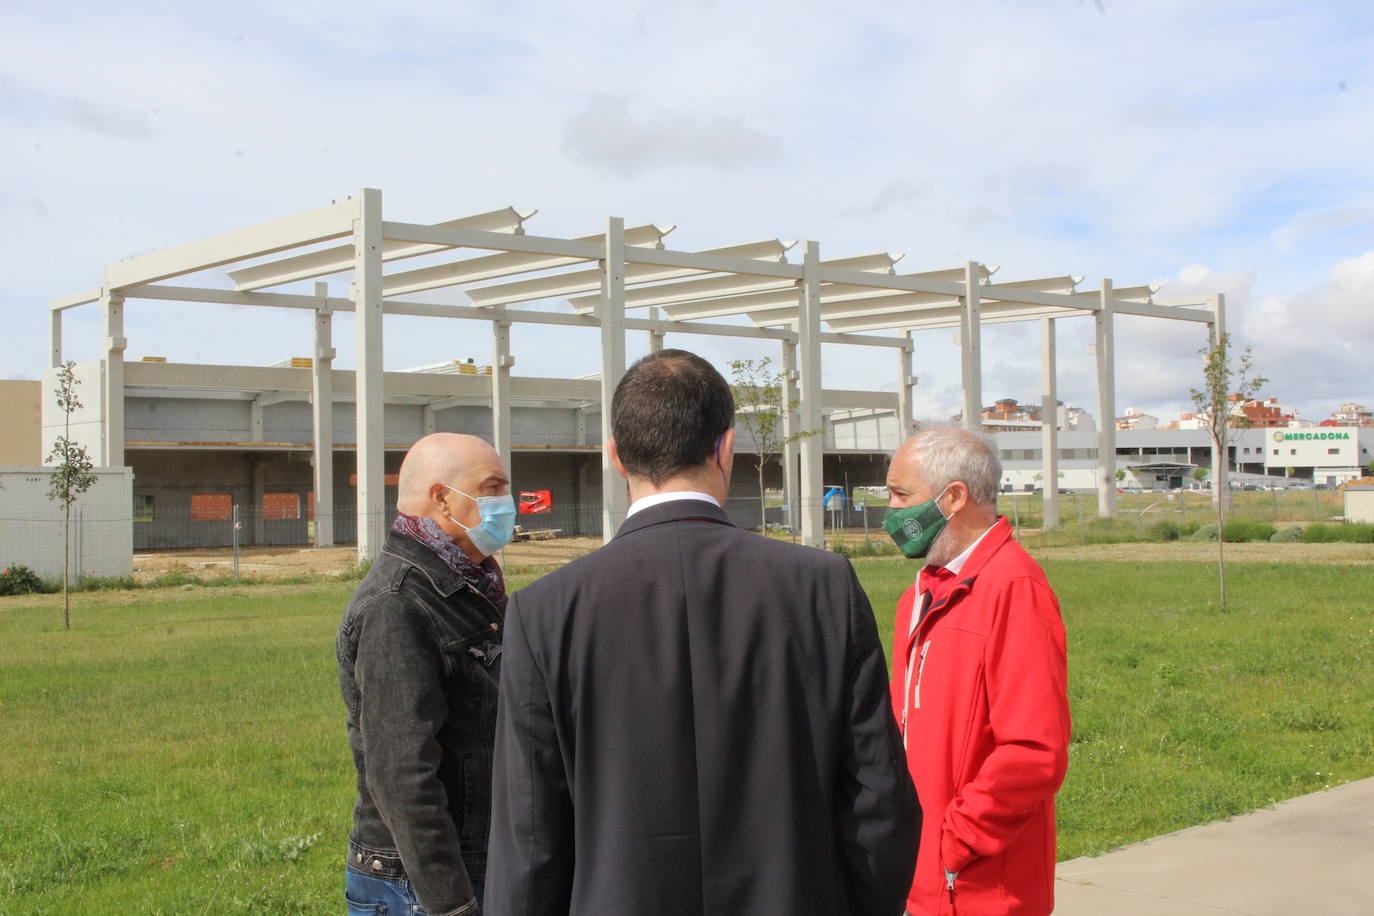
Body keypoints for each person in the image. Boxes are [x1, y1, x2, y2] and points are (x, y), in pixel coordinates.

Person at [486, 349, 919, 916]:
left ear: (615, 456)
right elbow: (878, 799)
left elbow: (530, 838)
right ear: (726, 446)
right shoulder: (822, 586)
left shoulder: (544, 611)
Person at [883, 427, 1070, 916]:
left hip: (978, 888)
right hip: (920, 876)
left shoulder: (1013, 588)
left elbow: (1034, 752)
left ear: (954, 497)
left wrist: (958, 843)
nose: (890, 510)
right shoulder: (920, 595)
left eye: (901, 494)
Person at [337, 432, 516, 915]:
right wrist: (451, 903)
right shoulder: (399, 604)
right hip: (419, 886)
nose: (508, 502)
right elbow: (401, 773)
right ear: (442, 498)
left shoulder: (467, 587)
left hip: (475, 860)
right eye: (493, 487)